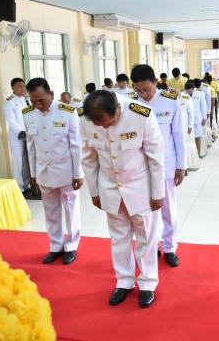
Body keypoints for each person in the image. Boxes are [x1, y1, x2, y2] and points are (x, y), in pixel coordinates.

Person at [80, 90, 165, 308]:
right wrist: (94, 192)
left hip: (140, 187)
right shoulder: (86, 118)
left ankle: (147, 283)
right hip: (109, 187)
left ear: (118, 108)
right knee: (118, 238)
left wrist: (158, 194)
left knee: (146, 237)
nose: (106, 128)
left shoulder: (141, 114)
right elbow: (88, 158)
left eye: (109, 123)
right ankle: (124, 281)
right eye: (100, 125)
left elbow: (156, 156)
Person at [23, 78, 84, 265]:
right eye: (33, 101)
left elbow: (76, 145)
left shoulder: (68, 112)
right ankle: (55, 245)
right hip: (44, 170)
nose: (37, 105)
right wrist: (33, 174)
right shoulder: (28, 114)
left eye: (41, 100)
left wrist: (78, 173)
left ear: (51, 94)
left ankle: (72, 245)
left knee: (71, 209)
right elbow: (30, 146)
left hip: (66, 170)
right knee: (50, 211)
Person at [131, 64, 186, 267]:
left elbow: (178, 135)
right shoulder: (131, 104)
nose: (143, 94)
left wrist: (181, 165)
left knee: (168, 209)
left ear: (156, 82)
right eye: (139, 90)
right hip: (140, 167)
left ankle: (170, 247)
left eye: (147, 88)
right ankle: (151, 246)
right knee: (145, 211)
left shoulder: (170, 101)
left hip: (166, 164)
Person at [4, 78, 31, 194]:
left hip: (29, 135)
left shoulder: (27, 100)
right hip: (17, 136)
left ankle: (26, 185)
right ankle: (19, 189)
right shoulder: (9, 102)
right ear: (13, 88)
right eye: (19, 86)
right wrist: (22, 132)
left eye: (23, 86)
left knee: (26, 161)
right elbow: (11, 121)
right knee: (18, 162)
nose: (22, 88)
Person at [186, 81, 207, 156]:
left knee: (198, 136)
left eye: (190, 90)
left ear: (193, 88)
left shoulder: (199, 93)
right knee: (189, 137)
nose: (189, 92)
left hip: (198, 118)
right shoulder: (183, 94)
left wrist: (204, 118)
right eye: (187, 90)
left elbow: (203, 106)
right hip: (187, 119)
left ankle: (198, 153)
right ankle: (191, 155)